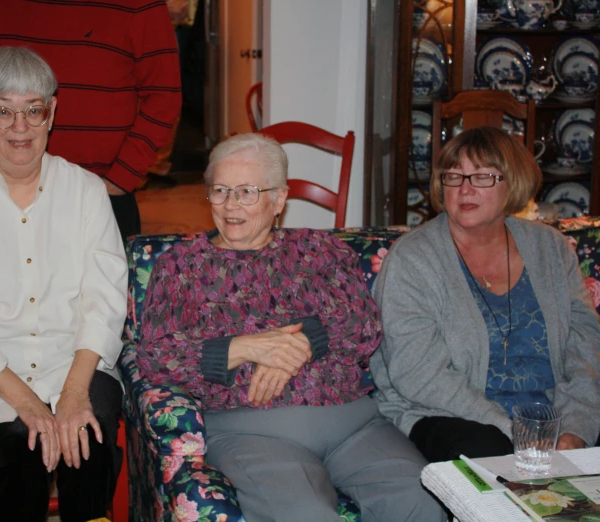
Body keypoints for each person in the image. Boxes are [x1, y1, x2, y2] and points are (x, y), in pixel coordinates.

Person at [136, 133, 445, 522]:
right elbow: (155, 356)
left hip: (354, 425)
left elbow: (362, 323)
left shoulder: (320, 250)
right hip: (254, 434)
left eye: (247, 191)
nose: (231, 205)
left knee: (421, 501)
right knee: (307, 515)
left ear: (279, 199)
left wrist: (297, 346)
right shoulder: (180, 266)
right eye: (220, 190)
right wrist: (248, 346)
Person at [0, 47, 128, 522]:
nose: (20, 127)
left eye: (33, 110)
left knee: (89, 434)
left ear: (51, 112)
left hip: (73, 358)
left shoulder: (86, 192)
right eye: (3, 111)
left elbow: (105, 297)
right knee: (22, 445)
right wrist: (30, 405)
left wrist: (73, 394)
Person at [370, 126, 600, 463]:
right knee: (487, 451)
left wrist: (576, 428)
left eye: (482, 177)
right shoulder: (413, 259)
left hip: (554, 415)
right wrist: (516, 433)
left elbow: (586, 347)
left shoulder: (550, 248)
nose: (464, 189)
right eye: (453, 176)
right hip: (452, 417)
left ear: (513, 184)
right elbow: (418, 373)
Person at [0, 0, 182, 240]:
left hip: (103, 194)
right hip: (6, 191)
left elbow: (164, 95)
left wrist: (120, 179)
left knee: (104, 277)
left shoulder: (140, 4)